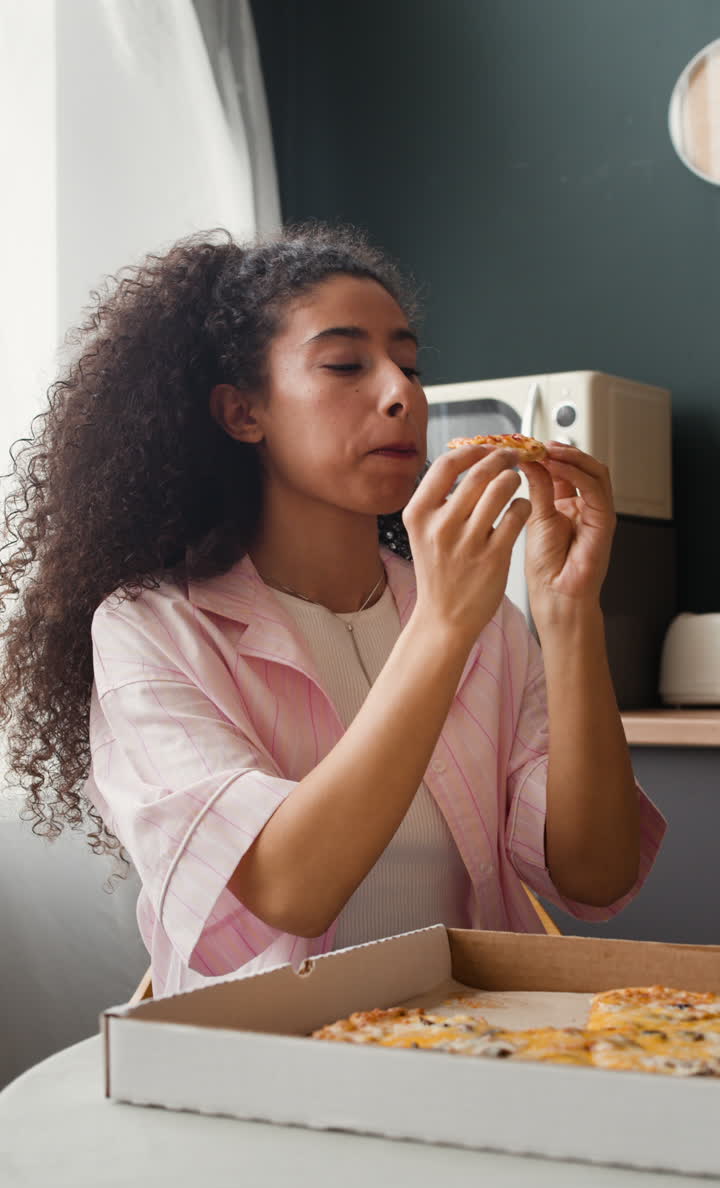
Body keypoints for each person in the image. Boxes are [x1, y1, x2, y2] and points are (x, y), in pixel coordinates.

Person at [0, 224, 665, 996]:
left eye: (410, 365)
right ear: (242, 413)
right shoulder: (151, 628)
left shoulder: (485, 618)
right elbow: (290, 888)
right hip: (266, 1069)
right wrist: (442, 627)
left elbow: (595, 875)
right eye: (347, 364)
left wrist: (569, 614)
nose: (401, 394)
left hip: (477, 1052)